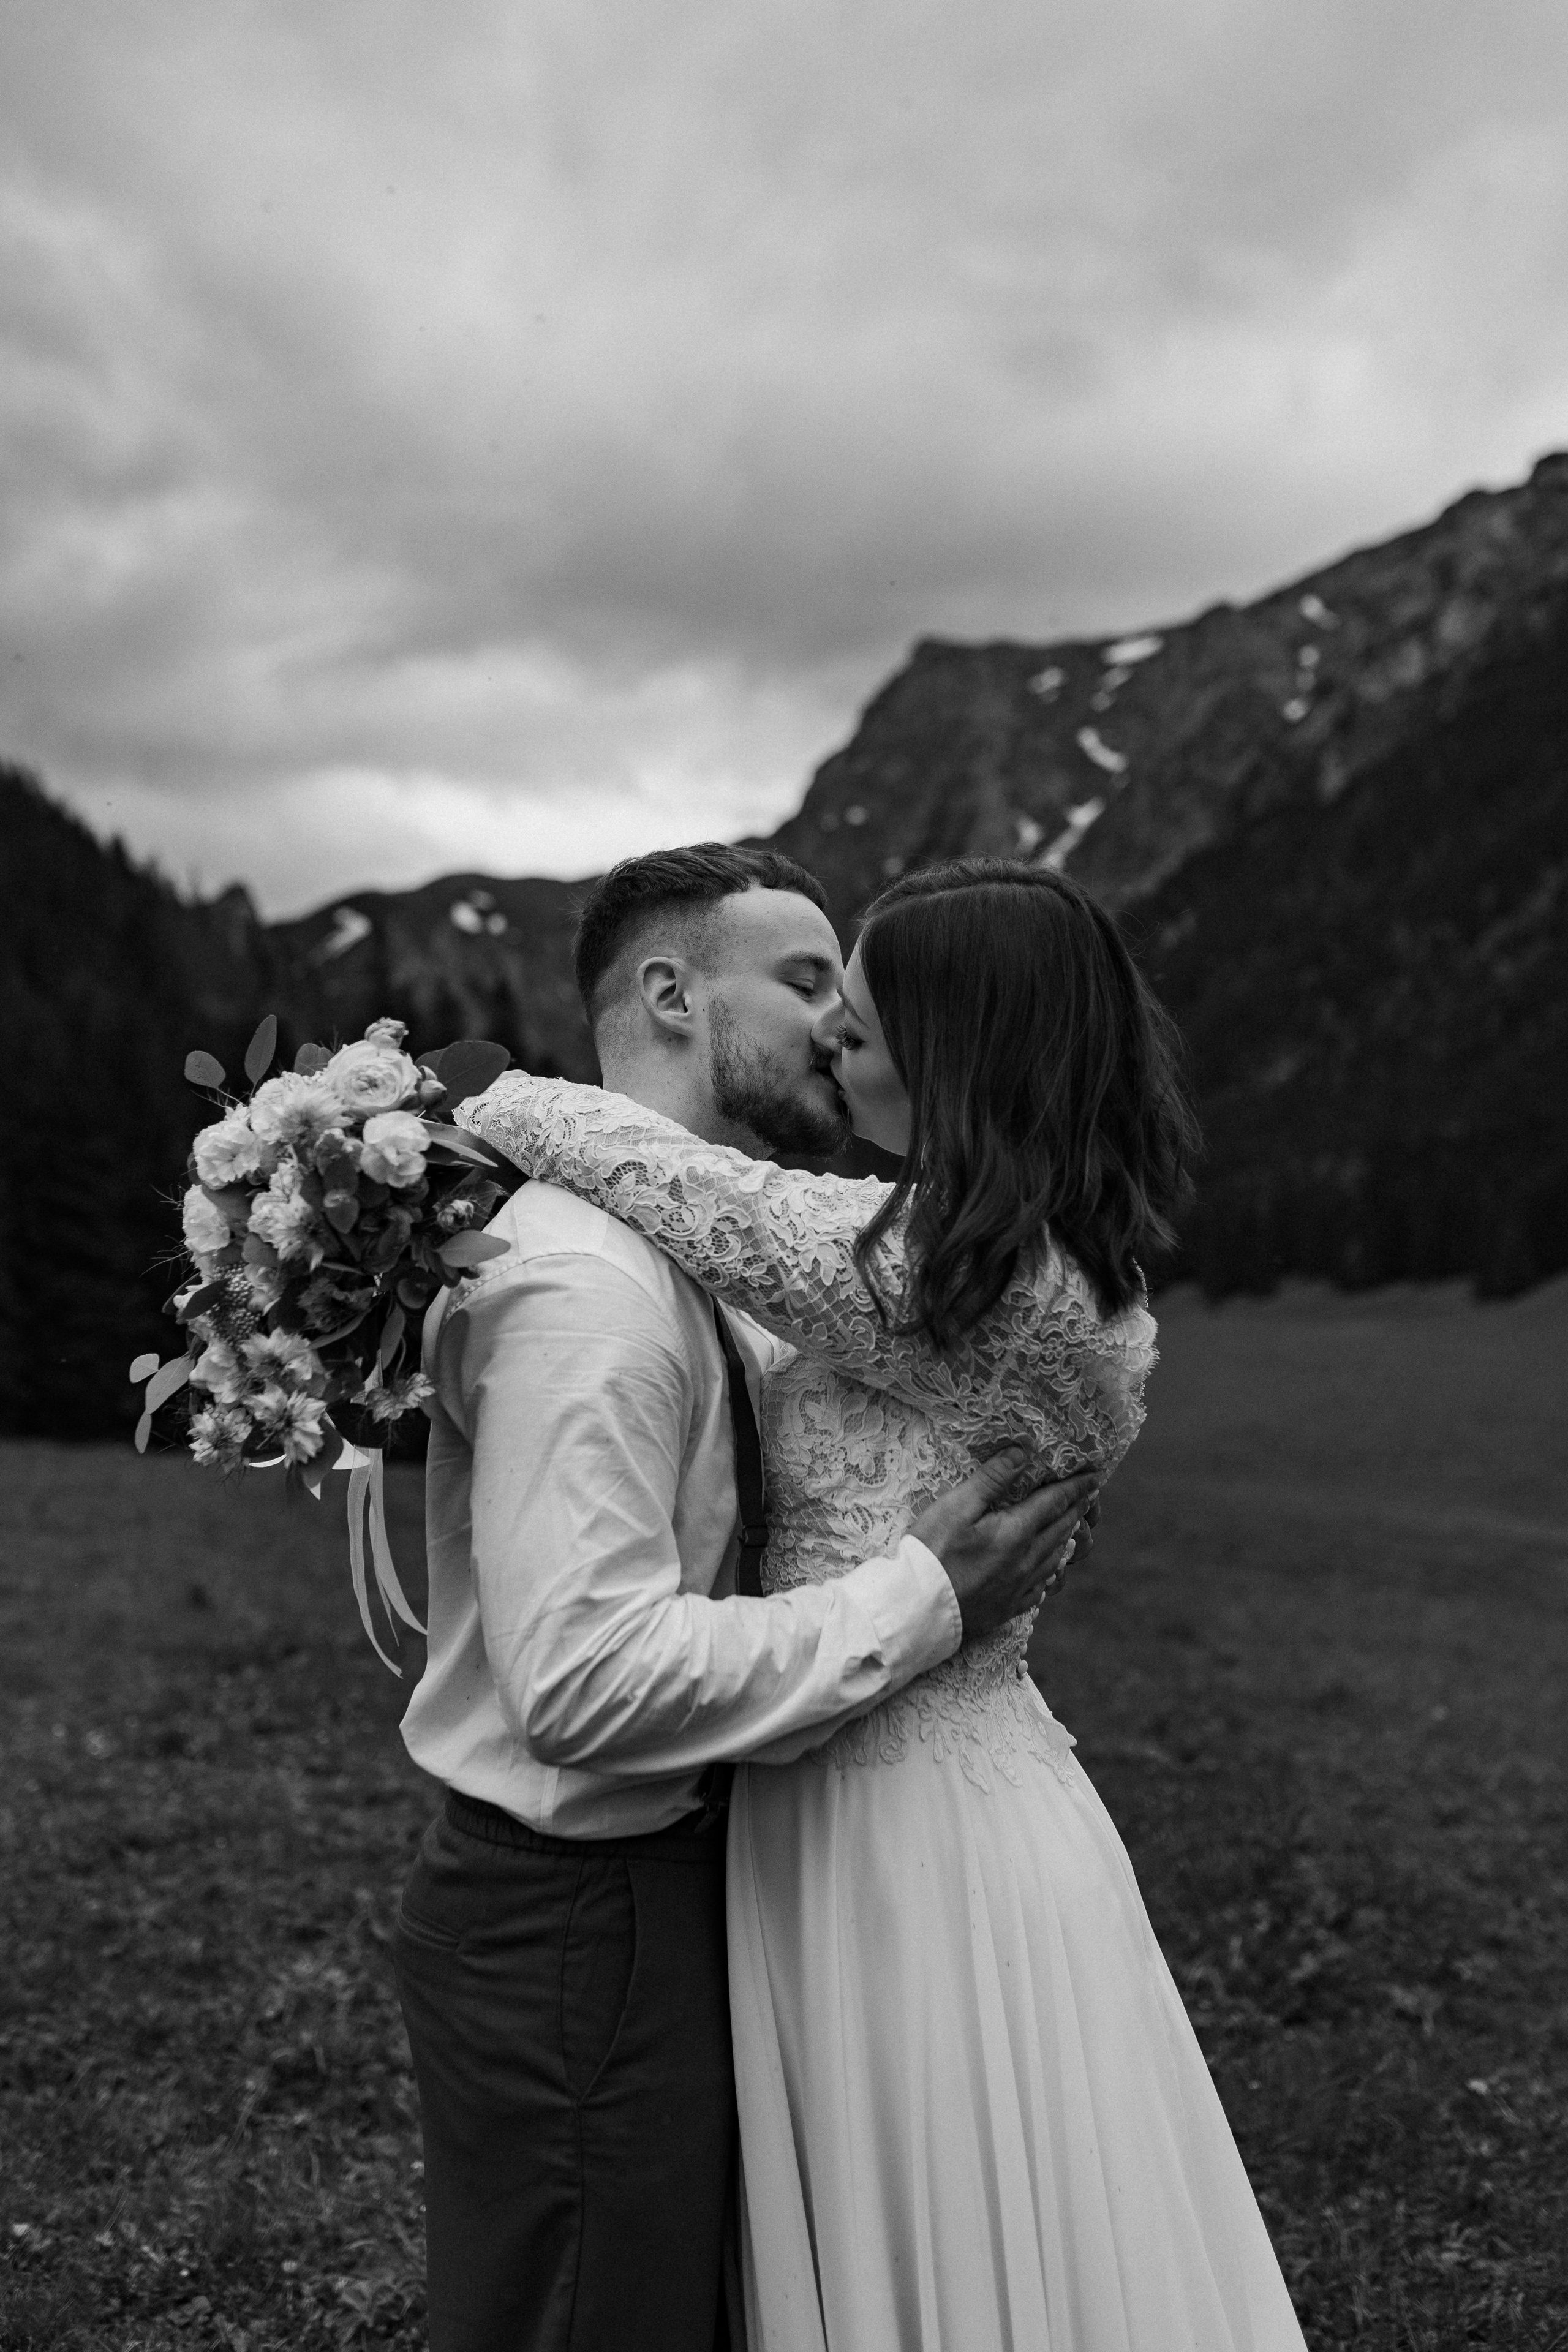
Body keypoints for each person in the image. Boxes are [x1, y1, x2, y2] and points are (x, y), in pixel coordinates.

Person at [467, 854, 1311, 2351]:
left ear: (963, 1037)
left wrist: (451, 1111)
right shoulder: (982, 1255)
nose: (836, 1035)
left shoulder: (989, 1282)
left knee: (947, 2236)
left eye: (860, 1005)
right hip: (883, 1789)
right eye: (819, 997)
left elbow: (684, 1187)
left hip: (904, 1829)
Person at [392, 845, 1100, 2352]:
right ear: (667, 995)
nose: (838, 1017)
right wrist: (922, 1595)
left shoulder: (735, 1261)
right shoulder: (590, 1290)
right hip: (577, 1906)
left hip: (738, 1876)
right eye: (800, 981)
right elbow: (581, 1683)